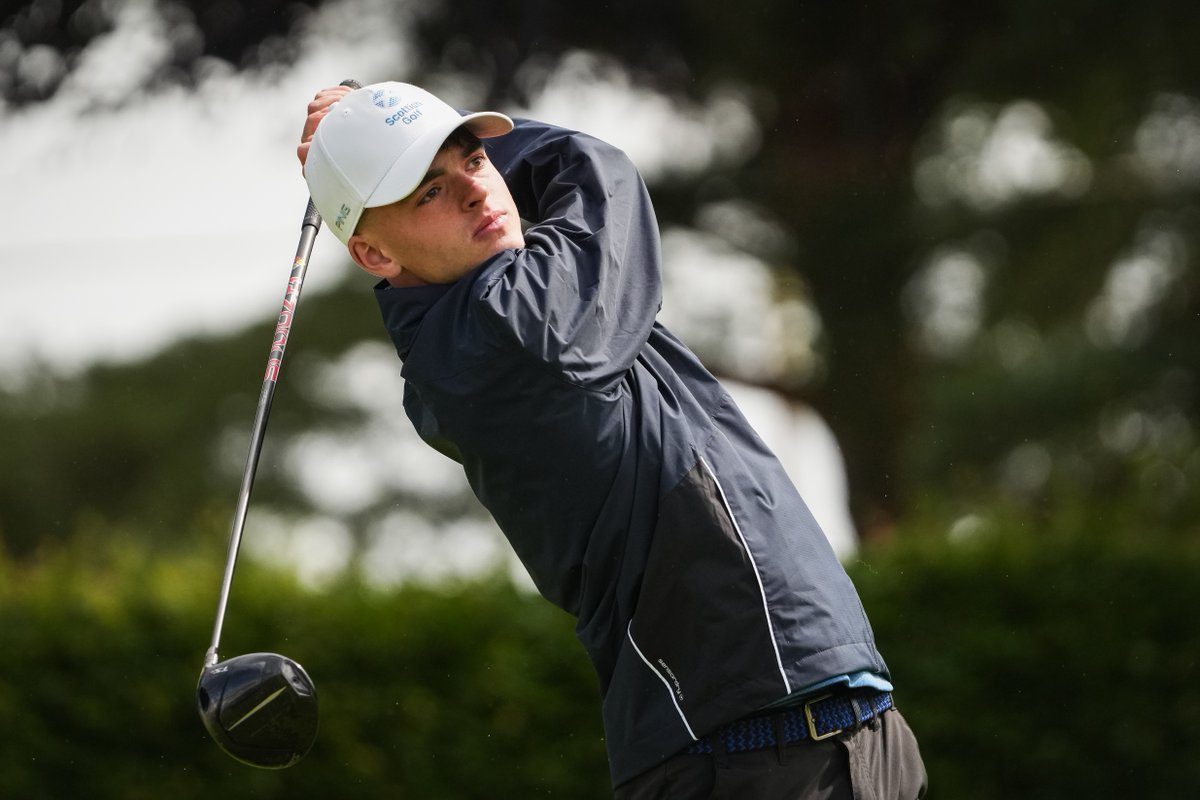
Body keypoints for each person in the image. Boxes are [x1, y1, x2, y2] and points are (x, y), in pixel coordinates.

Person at [298, 80, 927, 799]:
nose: (476, 190)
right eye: (427, 193)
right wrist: (405, 127)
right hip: (749, 759)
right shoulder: (511, 330)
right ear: (376, 257)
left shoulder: (504, 310)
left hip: (839, 734)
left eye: (475, 160)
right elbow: (596, 173)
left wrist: (379, 123)